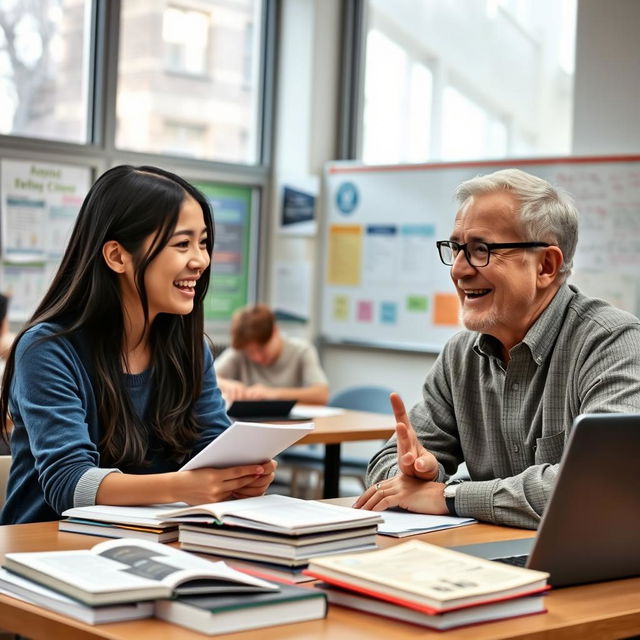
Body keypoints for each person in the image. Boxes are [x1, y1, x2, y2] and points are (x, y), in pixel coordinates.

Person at [354, 168, 640, 529]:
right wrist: (412, 473)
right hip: (496, 558)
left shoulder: (612, 343)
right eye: (456, 248)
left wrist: (450, 496)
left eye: (480, 250)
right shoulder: (460, 356)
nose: (458, 270)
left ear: (546, 266)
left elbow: (602, 483)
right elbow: (386, 466)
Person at [0, 165, 276, 525]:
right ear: (117, 256)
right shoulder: (47, 350)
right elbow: (69, 484)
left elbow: (211, 446)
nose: (201, 261)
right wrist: (181, 487)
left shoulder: (189, 349)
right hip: (47, 550)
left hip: (155, 542)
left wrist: (241, 474)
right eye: (182, 244)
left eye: (204, 242)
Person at [215, 304, 329, 405]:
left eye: (261, 349)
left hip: (291, 425)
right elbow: (207, 377)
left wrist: (272, 394)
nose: (257, 357)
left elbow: (321, 394)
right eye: (250, 352)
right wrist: (229, 385)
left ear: (275, 331)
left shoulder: (302, 351)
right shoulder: (240, 350)